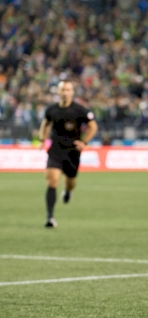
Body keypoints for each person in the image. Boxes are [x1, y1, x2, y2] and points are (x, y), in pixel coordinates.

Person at [38, 80, 98, 228]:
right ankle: (50, 217)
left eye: (68, 90)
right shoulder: (51, 110)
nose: (65, 92)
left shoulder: (79, 110)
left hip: (72, 152)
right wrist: (42, 139)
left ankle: (67, 191)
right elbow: (45, 123)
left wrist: (84, 142)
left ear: (72, 92)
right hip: (56, 151)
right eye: (62, 90)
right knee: (52, 181)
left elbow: (93, 126)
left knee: (71, 182)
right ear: (58, 92)